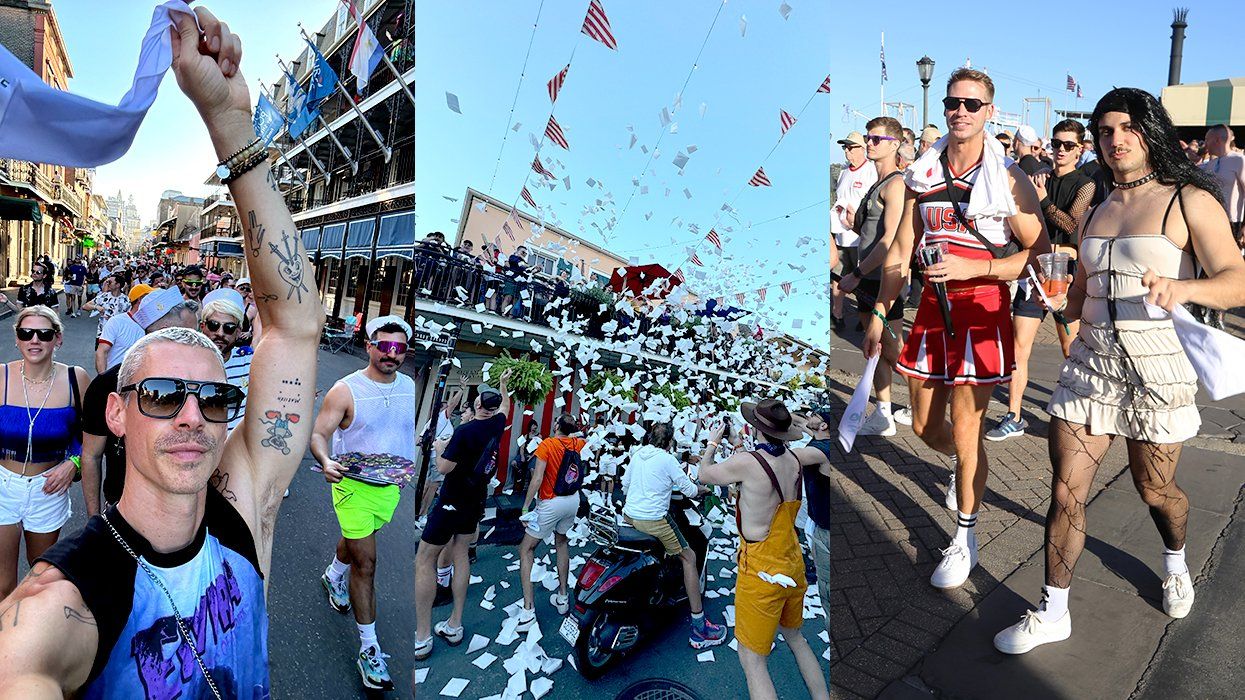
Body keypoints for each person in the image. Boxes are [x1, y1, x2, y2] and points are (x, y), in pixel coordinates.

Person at [0, 7, 324, 696]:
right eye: (162, 395)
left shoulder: (244, 514)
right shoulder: (63, 600)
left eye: (213, 399)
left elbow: (294, 326)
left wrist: (229, 122)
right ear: (116, 413)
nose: (191, 416)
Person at [994, 87, 1245, 654]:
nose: (1116, 139)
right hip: (1091, 366)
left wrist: (1184, 288)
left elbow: (1237, 280)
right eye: (1105, 131)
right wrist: (1061, 298)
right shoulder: (1098, 208)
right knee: (1066, 491)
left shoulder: (1187, 200)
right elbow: (1081, 293)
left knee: (1154, 490)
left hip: (1159, 368)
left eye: (1128, 127)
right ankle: (1053, 610)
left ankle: (1175, 560)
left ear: (1150, 131)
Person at [863, 68, 1047, 590]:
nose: (960, 111)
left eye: (971, 103)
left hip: (982, 310)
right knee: (925, 428)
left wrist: (978, 267)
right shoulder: (920, 174)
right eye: (952, 103)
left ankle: (965, 536)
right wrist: (879, 311)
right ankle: (965, 464)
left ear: (990, 111)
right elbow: (901, 251)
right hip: (930, 311)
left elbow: (1040, 253)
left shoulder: (1009, 178)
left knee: (968, 430)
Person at [697, 400, 829, 700]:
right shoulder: (795, 459)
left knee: (752, 659)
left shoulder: (748, 463)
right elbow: (762, 463)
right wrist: (738, 443)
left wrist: (712, 444)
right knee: (796, 638)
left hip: (761, 568)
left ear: (757, 428)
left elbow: (705, 474)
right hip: (791, 559)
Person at [311, 315, 415, 691]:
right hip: (351, 485)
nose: (391, 354)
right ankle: (369, 650)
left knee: (358, 542)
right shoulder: (345, 390)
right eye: (384, 346)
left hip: (389, 489)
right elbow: (319, 433)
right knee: (367, 564)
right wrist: (325, 460)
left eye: (399, 348)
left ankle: (333, 574)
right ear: (369, 345)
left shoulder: (409, 385)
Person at [988, 119, 1097, 441]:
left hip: (1066, 273)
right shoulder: (1038, 177)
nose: (1060, 150)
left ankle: (1081, 412)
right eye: (1056, 143)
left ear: (1080, 150)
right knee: (1018, 348)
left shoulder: (1085, 183)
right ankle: (1014, 415)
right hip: (1035, 271)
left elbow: (1071, 223)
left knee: (1071, 349)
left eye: (1068, 145)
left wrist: (1043, 200)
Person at [413, 373, 513, 661]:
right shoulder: (497, 424)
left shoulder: (465, 431)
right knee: (461, 555)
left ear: (478, 404)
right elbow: (506, 406)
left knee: (424, 559)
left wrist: (439, 449)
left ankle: (422, 636)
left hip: (452, 500)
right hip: (475, 499)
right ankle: (455, 624)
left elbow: (444, 468)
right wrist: (504, 384)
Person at [80, 297, 199, 518]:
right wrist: (94, 519)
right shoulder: (108, 384)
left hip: (188, 512)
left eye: (195, 336)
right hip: (122, 511)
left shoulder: (203, 385)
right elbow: (91, 456)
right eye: (184, 336)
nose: (194, 345)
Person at [0, 307, 88, 598]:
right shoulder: (1, 376)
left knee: (39, 579)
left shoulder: (76, 378)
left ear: (57, 339)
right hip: (3, 486)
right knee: (2, 584)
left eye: (44, 334)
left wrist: (73, 463)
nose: (34, 340)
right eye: (26, 333)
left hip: (48, 489)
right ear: (17, 339)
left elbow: (91, 436)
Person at [621, 422, 727, 648]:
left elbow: (625, 484)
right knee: (689, 557)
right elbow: (689, 490)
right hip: (653, 520)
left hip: (629, 516)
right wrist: (702, 489)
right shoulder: (668, 460)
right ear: (669, 442)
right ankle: (699, 626)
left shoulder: (638, 454)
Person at [837, 116, 908, 437]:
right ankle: (883, 413)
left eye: (876, 139)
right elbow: (870, 233)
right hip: (868, 277)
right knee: (875, 349)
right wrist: (854, 222)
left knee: (893, 349)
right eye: (868, 137)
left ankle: (926, 401)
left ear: (894, 145)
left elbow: (889, 240)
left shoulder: (896, 184)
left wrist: (856, 272)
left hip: (884, 279)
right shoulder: (876, 183)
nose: (869, 143)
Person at [515, 413, 585, 630]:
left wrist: (526, 506)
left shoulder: (547, 445)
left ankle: (528, 611)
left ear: (556, 426)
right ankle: (563, 597)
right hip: (572, 500)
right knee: (562, 542)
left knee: (526, 549)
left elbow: (537, 478)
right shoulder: (577, 444)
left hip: (551, 501)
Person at [792, 408, 836, 636]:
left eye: (815, 414)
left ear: (824, 425)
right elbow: (799, 421)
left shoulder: (822, 452)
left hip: (826, 532)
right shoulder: (820, 437)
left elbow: (792, 457)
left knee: (827, 589)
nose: (809, 416)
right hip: (820, 522)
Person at [831, 131, 878, 333]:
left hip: (860, 235)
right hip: (841, 233)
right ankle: (837, 314)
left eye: (851, 147)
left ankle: (864, 315)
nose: (847, 151)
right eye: (845, 147)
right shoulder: (843, 173)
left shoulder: (871, 170)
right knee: (838, 275)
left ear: (862, 149)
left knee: (862, 278)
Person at [199, 288, 252, 433]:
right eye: (213, 325)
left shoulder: (249, 362)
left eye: (229, 328)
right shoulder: (188, 363)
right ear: (203, 326)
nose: (220, 333)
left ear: (238, 332)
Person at [416, 378, 466, 527]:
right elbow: (452, 404)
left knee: (428, 485)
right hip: (436, 457)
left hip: (430, 456)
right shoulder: (441, 419)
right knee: (433, 486)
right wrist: (461, 389)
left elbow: (419, 440)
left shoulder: (432, 421)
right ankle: (423, 515)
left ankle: (419, 511)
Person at [95, 284, 165, 375]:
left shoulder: (153, 325)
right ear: (141, 299)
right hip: (114, 379)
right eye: (151, 298)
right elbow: (101, 352)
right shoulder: (117, 322)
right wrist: (103, 378)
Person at [81, 274, 132, 342]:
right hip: (102, 335)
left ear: (118, 285)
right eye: (107, 282)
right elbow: (85, 306)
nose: (107, 284)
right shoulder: (104, 296)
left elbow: (129, 319)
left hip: (118, 336)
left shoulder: (126, 301)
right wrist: (96, 307)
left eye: (110, 282)